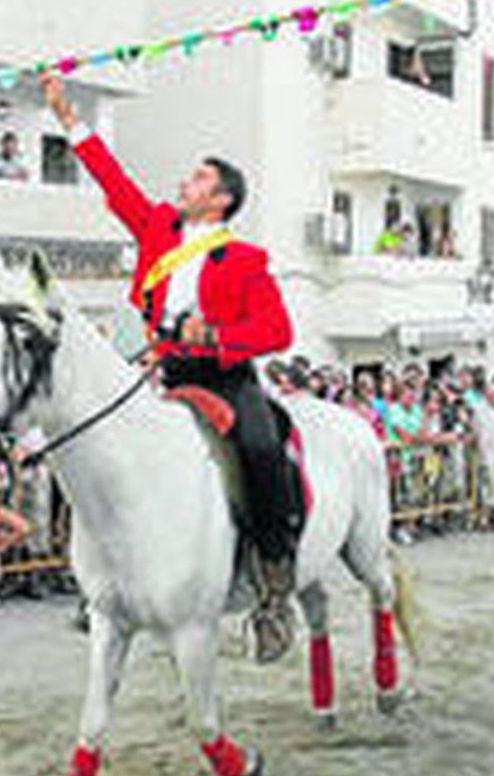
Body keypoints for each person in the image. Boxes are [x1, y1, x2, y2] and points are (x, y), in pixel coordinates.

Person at [43, 71, 301, 663]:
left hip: (226, 380)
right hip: (165, 376)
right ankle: (104, 582)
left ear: (222, 199)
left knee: (262, 450)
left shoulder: (245, 259)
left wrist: (217, 335)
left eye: (200, 178)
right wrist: (67, 118)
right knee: (101, 445)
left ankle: (274, 587)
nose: (186, 182)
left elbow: (277, 331)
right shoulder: (158, 228)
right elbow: (114, 183)